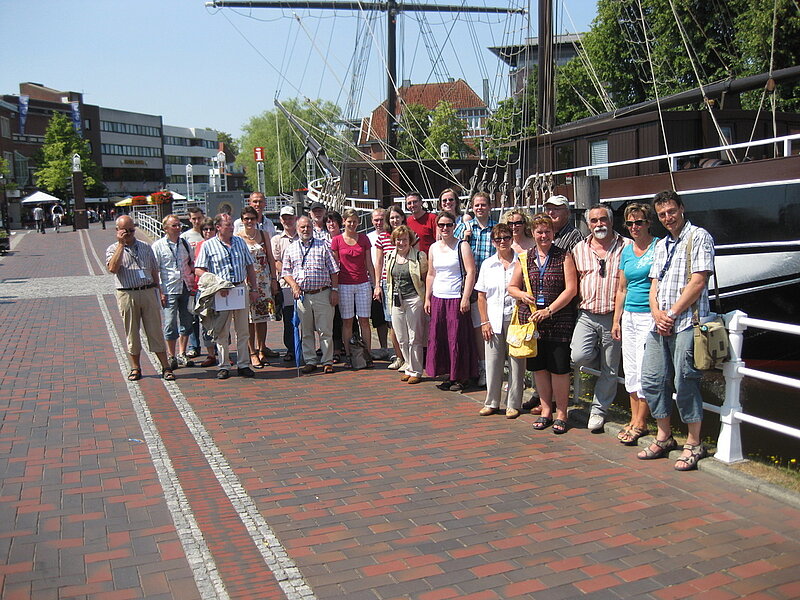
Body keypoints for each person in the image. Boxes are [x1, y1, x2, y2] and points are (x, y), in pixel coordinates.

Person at [638, 191, 714, 471]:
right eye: (662, 214)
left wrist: (670, 314)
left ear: (681, 208)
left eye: (671, 211)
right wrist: (657, 313)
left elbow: (699, 282)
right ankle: (664, 435)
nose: (668, 218)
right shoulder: (662, 244)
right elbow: (654, 284)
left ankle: (694, 442)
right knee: (652, 379)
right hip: (660, 324)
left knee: (685, 380)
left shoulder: (699, 237)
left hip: (686, 323)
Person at [508, 214, 577, 434]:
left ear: (553, 233)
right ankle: (546, 410)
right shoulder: (524, 258)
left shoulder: (564, 256)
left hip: (558, 321)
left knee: (559, 369)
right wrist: (522, 295)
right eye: (539, 232)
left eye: (547, 231)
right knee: (539, 368)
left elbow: (571, 289)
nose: (544, 235)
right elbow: (512, 287)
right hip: (533, 323)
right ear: (533, 233)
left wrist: (549, 310)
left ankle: (562, 413)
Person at [571, 204, 631, 431]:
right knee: (578, 355)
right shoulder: (579, 249)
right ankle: (599, 357)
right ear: (588, 224)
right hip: (586, 314)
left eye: (603, 219)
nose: (599, 224)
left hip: (613, 316)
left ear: (611, 221)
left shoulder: (627, 246)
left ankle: (598, 411)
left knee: (610, 369)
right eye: (594, 221)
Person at [611, 203, 659, 446]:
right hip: (629, 315)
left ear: (648, 223)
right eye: (630, 223)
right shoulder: (627, 251)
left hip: (648, 315)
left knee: (644, 368)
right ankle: (634, 418)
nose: (634, 227)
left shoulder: (658, 247)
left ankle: (641, 421)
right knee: (630, 368)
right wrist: (616, 319)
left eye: (639, 222)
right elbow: (622, 288)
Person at [106, 215, 175, 381]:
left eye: (132, 230)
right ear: (118, 231)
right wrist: (121, 244)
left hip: (147, 291)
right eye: (125, 231)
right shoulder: (112, 249)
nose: (129, 233)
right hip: (127, 293)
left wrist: (160, 290)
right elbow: (113, 269)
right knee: (132, 331)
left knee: (155, 330)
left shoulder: (145, 247)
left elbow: (154, 270)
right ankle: (135, 367)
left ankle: (165, 366)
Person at [194, 213, 260, 379]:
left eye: (231, 224)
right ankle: (223, 365)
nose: (231, 227)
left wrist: (254, 289)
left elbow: (249, 266)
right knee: (222, 331)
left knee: (243, 330)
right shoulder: (208, 245)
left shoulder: (240, 242)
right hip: (221, 293)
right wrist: (217, 283)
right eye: (228, 225)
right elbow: (199, 269)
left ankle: (243, 364)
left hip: (239, 289)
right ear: (218, 227)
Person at [475, 224, 525, 418]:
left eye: (506, 237)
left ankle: (513, 403)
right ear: (493, 242)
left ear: (512, 239)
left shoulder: (521, 261)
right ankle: (491, 402)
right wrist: (484, 321)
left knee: (516, 363)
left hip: (516, 319)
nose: (502, 241)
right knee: (493, 363)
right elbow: (481, 296)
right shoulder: (488, 264)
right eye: (498, 239)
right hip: (493, 319)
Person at [425, 211, 478, 391]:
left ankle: (462, 376)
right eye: (441, 225)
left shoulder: (462, 245)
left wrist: (465, 297)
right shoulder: (433, 248)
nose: (445, 228)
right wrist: (427, 298)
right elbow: (431, 274)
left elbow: (471, 272)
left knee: (457, 338)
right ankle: (448, 373)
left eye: (448, 224)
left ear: (454, 226)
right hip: (438, 297)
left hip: (456, 298)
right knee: (441, 338)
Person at [282, 216, 340, 374]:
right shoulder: (291, 248)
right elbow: (286, 272)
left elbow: (334, 270)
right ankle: (310, 360)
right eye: (302, 227)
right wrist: (294, 285)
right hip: (303, 296)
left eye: (308, 226)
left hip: (323, 293)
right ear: (297, 229)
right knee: (306, 331)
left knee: (325, 330)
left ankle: (327, 361)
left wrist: (335, 290)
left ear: (312, 228)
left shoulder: (323, 245)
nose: (305, 230)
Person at [455, 192, 498, 387]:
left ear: (489, 207)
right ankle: (481, 367)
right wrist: (463, 239)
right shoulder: (464, 227)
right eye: (476, 205)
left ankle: (494, 367)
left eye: (483, 205)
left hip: (491, 283)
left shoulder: (496, 228)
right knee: (477, 327)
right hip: (470, 284)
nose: (480, 208)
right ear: (472, 208)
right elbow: (452, 248)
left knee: (492, 324)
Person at [331, 209, 376, 366]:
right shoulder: (336, 240)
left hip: (362, 283)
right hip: (344, 284)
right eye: (349, 221)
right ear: (344, 222)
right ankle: (350, 355)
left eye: (355, 222)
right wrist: (334, 287)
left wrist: (375, 284)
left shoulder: (364, 239)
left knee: (364, 320)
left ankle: (367, 354)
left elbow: (369, 263)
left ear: (358, 222)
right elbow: (334, 266)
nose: (352, 224)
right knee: (347, 321)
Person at [237, 206, 279, 369]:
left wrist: (274, 279)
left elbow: (271, 258)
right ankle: (252, 352)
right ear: (242, 220)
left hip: (264, 280)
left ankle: (262, 349)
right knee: (248, 319)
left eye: (252, 218)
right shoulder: (238, 237)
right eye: (246, 219)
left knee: (262, 317)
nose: (249, 221)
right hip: (246, 282)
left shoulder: (263, 234)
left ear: (256, 220)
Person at [384, 225, 428, 384]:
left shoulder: (419, 256)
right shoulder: (390, 256)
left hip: (414, 299)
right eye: (398, 240)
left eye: (404, 240)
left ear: (410, 241)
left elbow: (425, 278)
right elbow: (389, 280)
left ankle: (416, 371)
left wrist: (426, 299)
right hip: (396, 300)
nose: (401, 243)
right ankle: (409, 366)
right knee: (401, 337)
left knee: (414, 337)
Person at [152, 214, 196, 370]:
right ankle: (171, 355)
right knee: (170, 322)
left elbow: (191, 263)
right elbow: (155, 270)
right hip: (169, 288)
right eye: (174, 226)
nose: (178, 228)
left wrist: (193, 283)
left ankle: (182, 353)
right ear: (165, 228)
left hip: (186, 286)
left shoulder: (185, 243)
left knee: (187, 321)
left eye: (179, 225)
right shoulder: (158, 246)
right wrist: (160, 291)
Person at [373, 205, 407, 368]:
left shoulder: (409, 235)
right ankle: (399, 357)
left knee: (408, 322)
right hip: (389, 284)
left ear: (402, 218)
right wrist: (377, 285)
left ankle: (410, 358)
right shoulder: (383, 237)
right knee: (393, 322)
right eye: (392, 217)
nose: (394, 220)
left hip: (407, 283)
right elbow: (379, 263)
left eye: (397, 217)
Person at [271, 206, 300, 362]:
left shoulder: (303, 236)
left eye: (290, 218)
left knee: (307, 319)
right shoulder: (276, 239)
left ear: (295, 218)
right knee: (289, 318)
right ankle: (291, 348)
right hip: (286, 285)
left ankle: (306, 348)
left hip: (304, 283)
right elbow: (276, 261)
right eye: (285, 218)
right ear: (281, 220)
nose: (287, 221)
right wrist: (290, 275)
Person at [193, 218, 219, 367]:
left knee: (222, 322)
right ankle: (210, 354)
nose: (208, 232)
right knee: (206, 322)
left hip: (219, 289)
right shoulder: (199, 246)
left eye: (211, 229)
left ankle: (223, 352)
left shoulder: (220, 244)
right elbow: (196, 268)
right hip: (203, 289)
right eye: (205, 229)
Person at [181, 206, 206, 359]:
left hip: (207, 280)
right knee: (192, 316)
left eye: (199, 218)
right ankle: (194, 346)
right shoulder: (185, 237)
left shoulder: (208, 233)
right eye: (194, 219)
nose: (197, 221)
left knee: (208, 316)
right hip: (192, 281)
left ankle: (213, 347)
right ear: (189, 219)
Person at [367, 208, 391, 357]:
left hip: (390, 282)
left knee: (392, 318)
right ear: (372, 221)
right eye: (376, 220)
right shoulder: (368, 237)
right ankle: (383, 348)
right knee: (379, 318)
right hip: (374, 282)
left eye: (382, 219)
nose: (379, 222)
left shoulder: (392, 235)